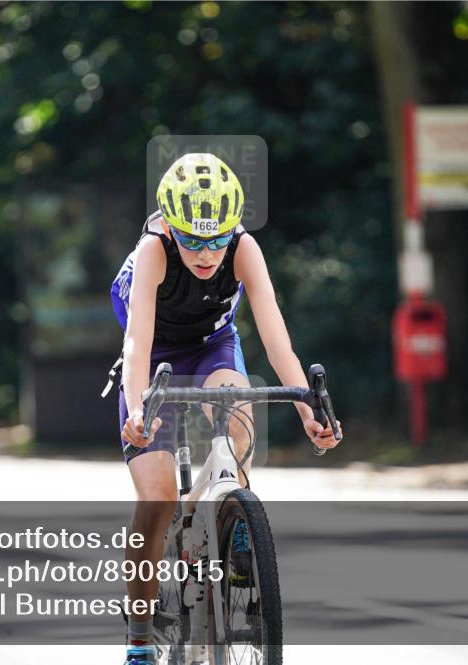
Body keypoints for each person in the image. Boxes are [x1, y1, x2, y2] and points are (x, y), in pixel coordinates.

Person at [106, 152, 342, 664]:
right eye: (193, 240)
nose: (208, 253)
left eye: (217, 239)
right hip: (155, 353)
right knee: (157, 499)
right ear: (170, 227)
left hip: (213, 344)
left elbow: (277, 340)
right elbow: (136, 346)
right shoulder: (153, 252)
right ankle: (140, 637)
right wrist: (136, 409)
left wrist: (307, 409)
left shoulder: (243, 248)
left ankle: (233, 525)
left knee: (236, 403)